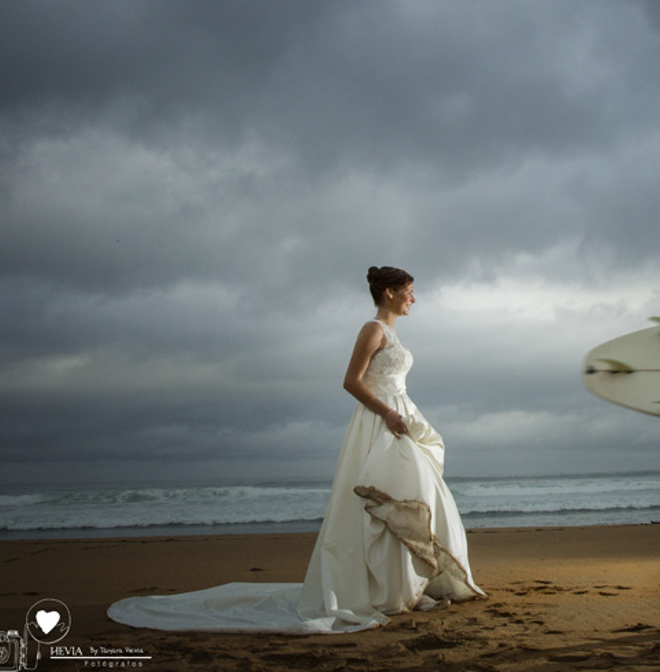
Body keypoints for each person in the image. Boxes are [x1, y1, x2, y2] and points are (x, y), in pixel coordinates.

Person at [108, 267, 483, 634]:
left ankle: (408, 585)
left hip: (401, 415)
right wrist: (386, 413)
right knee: (386, 500)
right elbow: (351, 381)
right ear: (389, 292)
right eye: (409, 291)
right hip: (380, 420)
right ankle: (391, 590)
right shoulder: (373, 329)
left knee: (413, 495)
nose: (414, 299)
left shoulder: (393, 334)